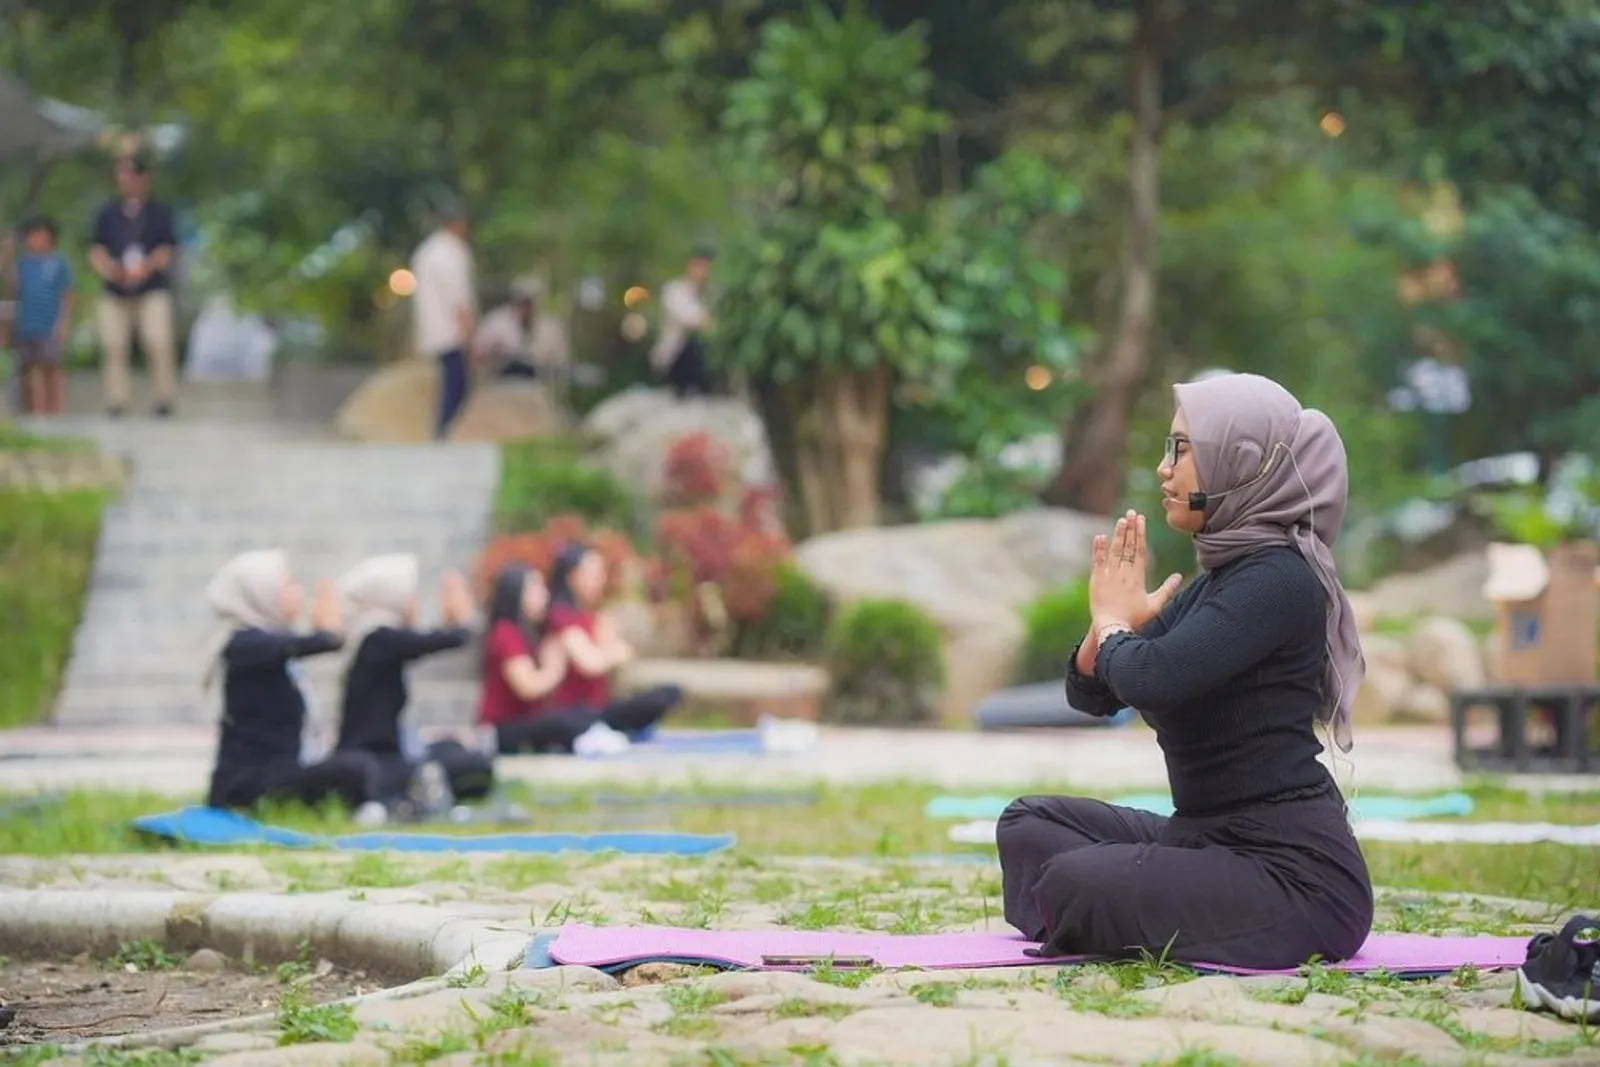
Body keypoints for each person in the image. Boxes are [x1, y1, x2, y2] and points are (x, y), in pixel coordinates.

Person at [996, 373, 1373, 971]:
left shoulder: (1279, 579)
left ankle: (1091, 908)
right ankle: (1100, 910)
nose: (1163, 469)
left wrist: (1121, 628)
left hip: (1295, 879)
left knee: (1075, 878)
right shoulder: (1220, 583)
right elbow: (1093, 694)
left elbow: (1153, 678)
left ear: (1240, 462)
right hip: (1204, 838)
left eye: (1182, 449)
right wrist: (1109, 627)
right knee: (1028, 823)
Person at [203, 549, 423, 825]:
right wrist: (327, 628)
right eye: (289, 586)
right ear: (261, 591)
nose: (298, 593)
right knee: (357, 767)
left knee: (362, 766)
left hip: (281, 769)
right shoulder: (245, 645)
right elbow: (321, 643)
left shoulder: (264, 645)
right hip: (246, 785)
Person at [335, 554, 495, 804]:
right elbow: (447, 639)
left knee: (452, 748)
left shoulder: (379, 638)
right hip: (373, 760)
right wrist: (461, 616)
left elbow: (428, 640)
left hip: (389, 755)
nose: (414, 604)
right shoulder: (377, 639)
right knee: (470, 766)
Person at [542, 543, 684, 739]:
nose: (601, 581)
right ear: (573, 577)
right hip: (574, 714)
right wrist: (611, 653)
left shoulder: (592, 617)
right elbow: (591, 662)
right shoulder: (560, 617)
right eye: (594, 575)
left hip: (597, 707)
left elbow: (621, 653)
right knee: (655, 701)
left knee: (670, 693)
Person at [88, 155, 179, 418]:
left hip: (152, 287)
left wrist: (144, 268)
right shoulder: (106, 212)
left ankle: (163, 398)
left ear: (144, 178)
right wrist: (112, 270)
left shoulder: (160, 212)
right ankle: (116, 401)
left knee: (158, 341)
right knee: (113, 344)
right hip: (115, 288)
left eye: (130, 174)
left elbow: (167, 249)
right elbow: (95, 249)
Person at [477, 564, 591, 753]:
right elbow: (528, 686)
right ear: (517, 593)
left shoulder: (529, 632)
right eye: (536, 588)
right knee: (566, 724)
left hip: (524, 723)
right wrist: (556, 665)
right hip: (501, 730)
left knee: (580, 715)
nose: (545, 595)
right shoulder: (505, 633)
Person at [409, 204, 477, 439]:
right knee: (457, 384)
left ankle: (443, 429)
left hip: (433, 330)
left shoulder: (426, 251)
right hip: (451, 330)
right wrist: (469, 333)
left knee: (450, 381)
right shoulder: (452, 252)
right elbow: (459, 298)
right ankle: (444, 430)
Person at [8, 217, 72, 416]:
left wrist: (64, 324)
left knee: (51, 367)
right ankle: (35, 412)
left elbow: (67, 295)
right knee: (28, 370)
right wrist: (7, 250)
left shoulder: (58, 263)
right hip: (26, 325)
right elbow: (12, 284)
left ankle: (55, 412)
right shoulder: (23, 264)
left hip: (49, 325)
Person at [473, 275, 572, 383]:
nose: (526, 309)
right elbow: (478, 352)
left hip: (538, 385)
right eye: (523, 302)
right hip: (501, 384)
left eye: (530, 303)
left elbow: (562, 363)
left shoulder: (550, 328)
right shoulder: (496, 323)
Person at [649, 247, 715, 399]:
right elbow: (691, 320)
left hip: (703, 360)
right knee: (696, 343)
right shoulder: (674, 290)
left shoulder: (711, 292)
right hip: (675, 357)